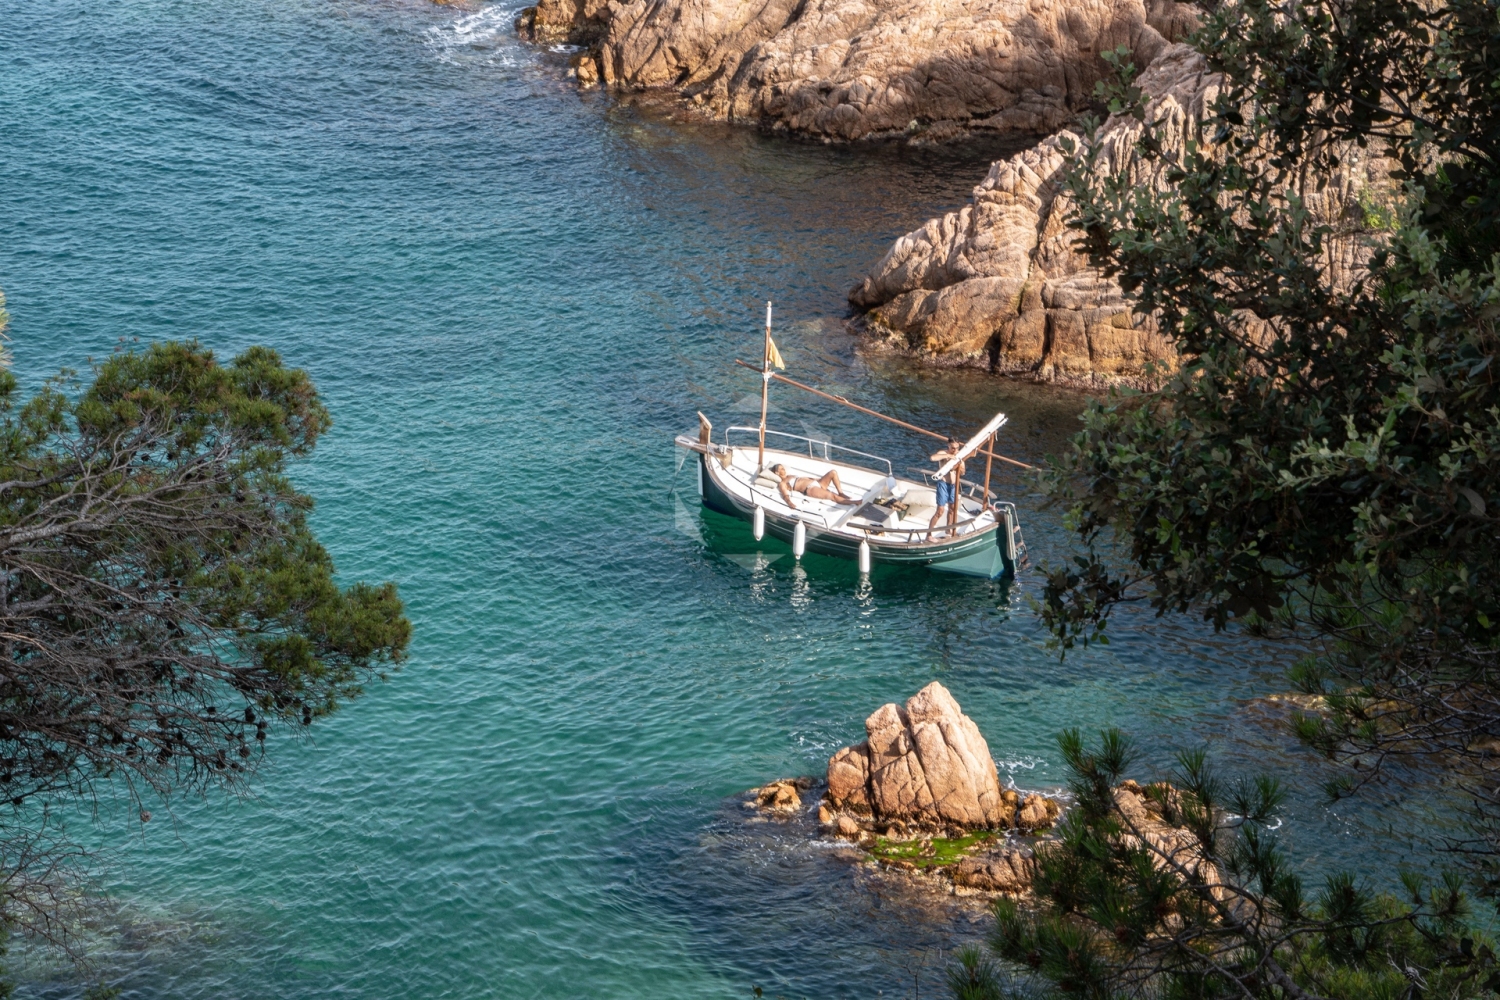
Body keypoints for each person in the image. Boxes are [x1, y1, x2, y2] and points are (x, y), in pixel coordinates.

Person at [771, 464, 855, 509]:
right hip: (810, 489)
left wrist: (819, 479)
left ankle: (841, 493)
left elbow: (805, 478)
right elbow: (785, 494)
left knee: (833, 472)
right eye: (781, 469)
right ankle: (855, 502)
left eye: (783, 468)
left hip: (817, 482)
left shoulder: (790, 476)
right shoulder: (783, 483)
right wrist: (790, 503)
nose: (784, 469)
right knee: (832, 496)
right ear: (777, 473)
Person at [929, 438, 964, 538]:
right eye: (953, 448)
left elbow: (963, 472)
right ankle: (929, 534)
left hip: (953, 486)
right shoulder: (943, 453)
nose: (955, 450)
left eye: (957, 448)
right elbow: (933, 458)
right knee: (940, 511)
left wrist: (959, 466)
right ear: (948, 445)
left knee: (953, 509)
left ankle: (949, 530)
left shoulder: (960, 455)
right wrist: (948, 455)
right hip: (943, 484)